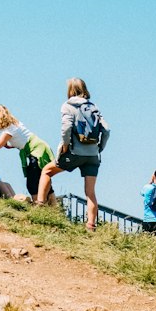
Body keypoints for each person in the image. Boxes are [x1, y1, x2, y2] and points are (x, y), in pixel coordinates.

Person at [36, 78, 110, 230]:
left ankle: (40, 207)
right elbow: (107, 130)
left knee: (47, 171)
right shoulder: (94, 107)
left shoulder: (68, 106)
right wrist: (99, 148)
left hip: (75, 152)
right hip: (93, 155)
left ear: (70, 90)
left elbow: (66, 128)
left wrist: (64, 146)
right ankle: (91, 225)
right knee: (90, 192)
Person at [0, 106, 55, 200]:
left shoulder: (9, 129)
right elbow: (23, 139)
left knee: (32, 182)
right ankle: (53, 206)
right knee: (41, 178)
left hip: (37, 151)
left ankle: (38, 204)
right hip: (39, 149)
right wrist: (12, 145)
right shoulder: (15, 124)